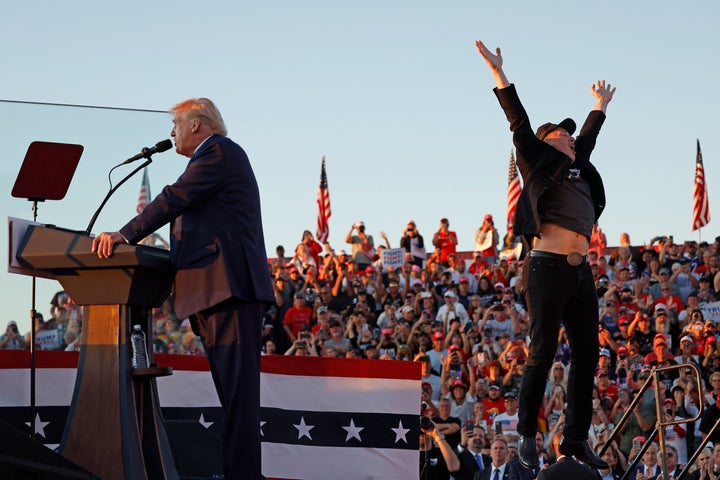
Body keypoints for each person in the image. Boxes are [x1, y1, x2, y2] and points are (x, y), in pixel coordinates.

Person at [91, 97, 274, 480]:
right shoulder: (211, 158)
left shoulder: (219, 151)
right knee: (234, 400)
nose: (171, 132)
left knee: (239, 402)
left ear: (197, 125)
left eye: (176, 123)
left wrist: (125, 235)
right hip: (215, 294)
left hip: (230, 293)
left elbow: (174, 198)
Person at [476, 39, 616, 470]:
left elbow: (588, 136)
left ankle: (574, 440)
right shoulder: (536, 158)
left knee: (588, 355)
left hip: (580, 270)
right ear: (548, 140)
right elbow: (517, 120)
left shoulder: (579, 164)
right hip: (546, 266)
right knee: (540, 352)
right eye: (565, 133)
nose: (573, 138)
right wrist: (499, 73)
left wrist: (600, 106)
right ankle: (525, 434)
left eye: (574, 135)